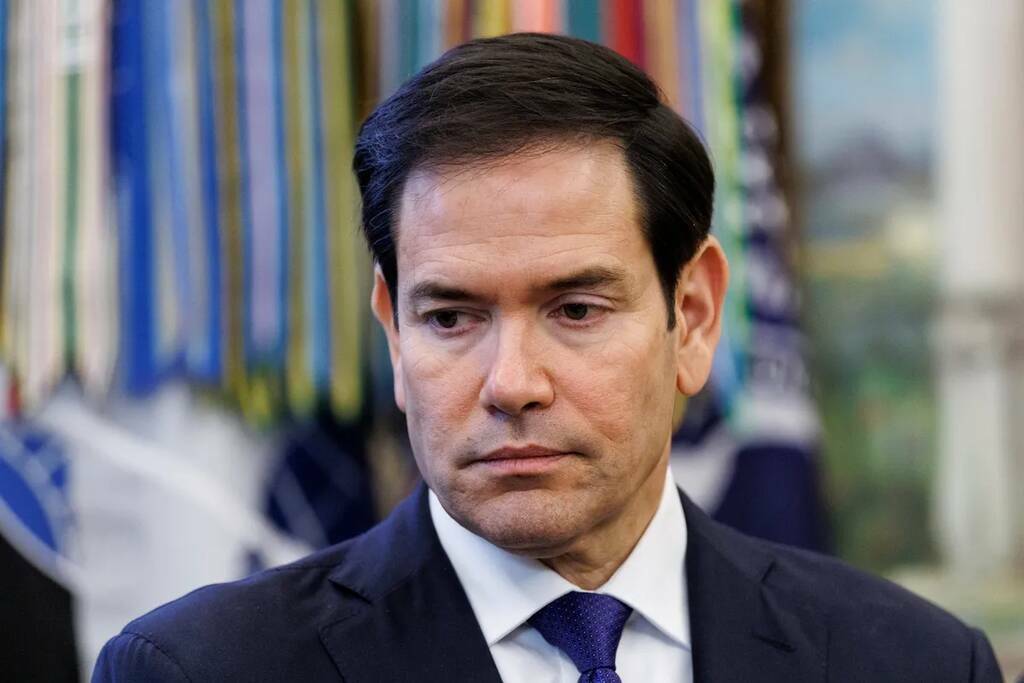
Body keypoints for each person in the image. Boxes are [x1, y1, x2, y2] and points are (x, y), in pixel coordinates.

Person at [93, 33, 1001, 682]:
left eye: (575, 309)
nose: (512, 384)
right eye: (451, 317)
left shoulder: (912, 662)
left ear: (692, 317)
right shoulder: (200, 668)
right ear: (394, 332)